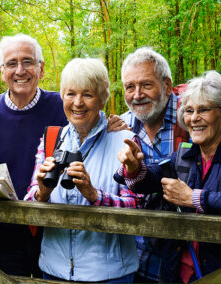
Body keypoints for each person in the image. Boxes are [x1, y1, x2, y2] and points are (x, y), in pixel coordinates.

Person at [0, 34, 126, 277]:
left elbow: (92, 120)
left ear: (41, 68)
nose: (20, 70)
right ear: (2, 71)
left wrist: (115, 124)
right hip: (4, 227)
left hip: (55, 230)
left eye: (28, 62)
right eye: (12, 63)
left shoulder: (63, 105)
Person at [117, 70, 221, 283]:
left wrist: (192, 197)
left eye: (203, 110)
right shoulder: (187, 153)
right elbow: (151, 179)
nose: (194, 118)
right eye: (188, 111)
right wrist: (133, 168)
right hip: (178, 273)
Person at [24, 58, 140, 283]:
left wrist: (94, 195)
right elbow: (29, 200)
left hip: (109, 274)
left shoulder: (125, 141)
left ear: (102, 98)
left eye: (87, 94)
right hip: (53, 270)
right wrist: (42, 193)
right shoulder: (51, 139)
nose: (78, 103)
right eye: (70, 94)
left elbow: (137, 204)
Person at [119, 47, 189, 282]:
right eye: (130, 87)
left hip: (187, 263)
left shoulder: (192, 120)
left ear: (167, 86)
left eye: (146, 85)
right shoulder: (122, 128)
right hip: (137, 264)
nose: (137, 95)